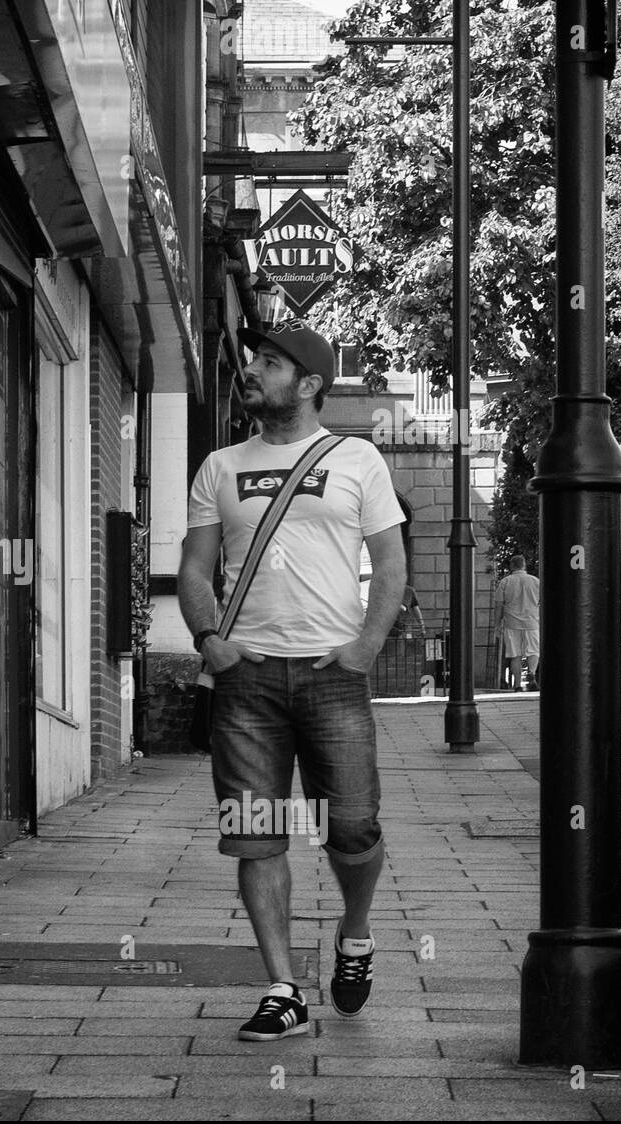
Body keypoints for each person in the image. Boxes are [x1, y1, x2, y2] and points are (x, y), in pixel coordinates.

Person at [178, 320, 407, 1041]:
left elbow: (391, 565)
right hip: (246, 679)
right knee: (258, 833)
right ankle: (282, 987)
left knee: (353, 828)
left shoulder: (357, 459)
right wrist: (208, 638)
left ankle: (356, 933)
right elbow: (194, 565)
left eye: (270, 362)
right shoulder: (219, 465)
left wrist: (367, 645)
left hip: (332, 674)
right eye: (253, 358)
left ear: (308, 384)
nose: (253, 369)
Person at [494, 554, 540, 690]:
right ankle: (531, 674)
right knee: (534, 651)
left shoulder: (505, 582)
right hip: (532, 621)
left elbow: (499, 606)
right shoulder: (535, 581)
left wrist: (497, 624)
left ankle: (517, 684)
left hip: (512, 623)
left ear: (511, 566)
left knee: (515, 655)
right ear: (524, 565)